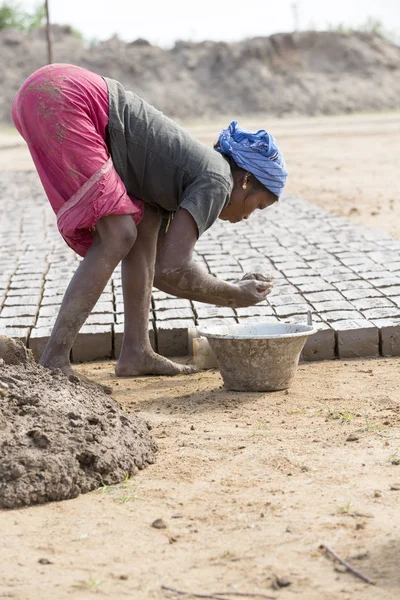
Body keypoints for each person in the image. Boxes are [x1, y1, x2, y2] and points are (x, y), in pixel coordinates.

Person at [11, 63, 288, 378]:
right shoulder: (218, 179)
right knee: (118, 234)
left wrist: (230, 288)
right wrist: (232, 295)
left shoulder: (170, 181)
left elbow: (154, 266)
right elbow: (174, 268)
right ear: (246, 181)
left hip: (47, 90)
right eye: (258, 205)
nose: (247, 216)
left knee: (138, 241)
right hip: (67, 96)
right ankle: (54, 360)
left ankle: (136, 352)